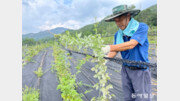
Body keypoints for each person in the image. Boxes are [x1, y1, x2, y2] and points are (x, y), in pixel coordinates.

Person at [102, 5, 152, 101]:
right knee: (128, 98)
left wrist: (109, 47)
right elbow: (115, 50)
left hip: (140, 70)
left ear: (128, 16)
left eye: (120, 19)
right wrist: (105, 58)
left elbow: (131, 44)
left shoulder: (141, 27)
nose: (118, 23)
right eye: (116, 21)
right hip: (125, 70)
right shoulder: (118, 34)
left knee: (142, 98)